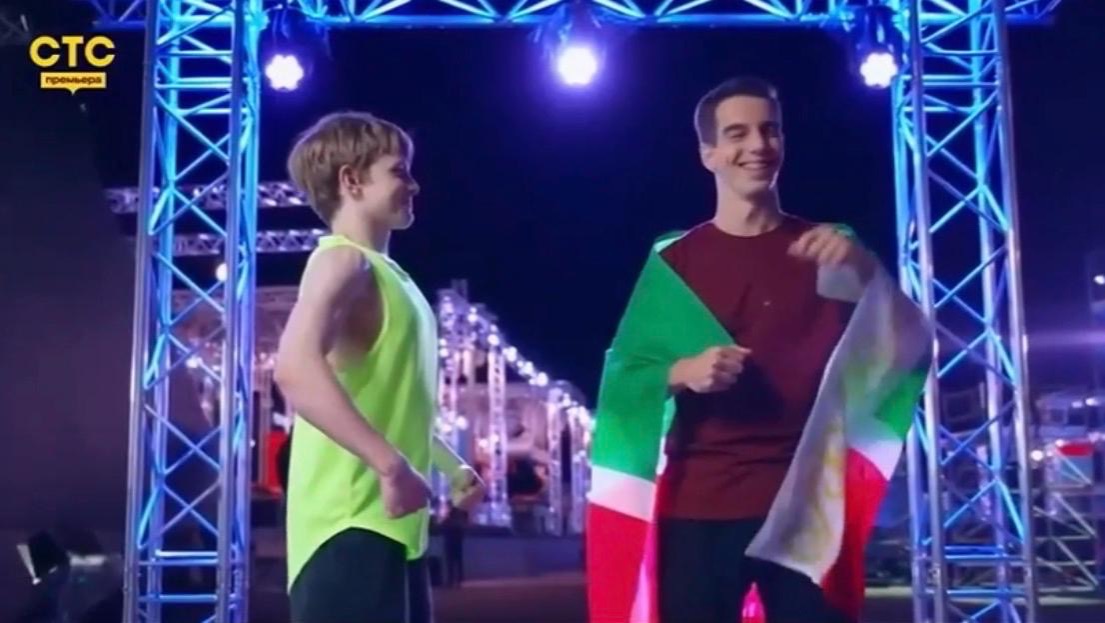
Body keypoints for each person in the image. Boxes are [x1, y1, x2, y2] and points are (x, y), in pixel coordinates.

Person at [585, 77, 932, 623]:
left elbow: (910, 349)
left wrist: (868, 274)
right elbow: (624, 378)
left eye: (770, 130)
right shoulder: (675, 263)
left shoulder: (832, 251)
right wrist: (683, 371)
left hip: (805, 510)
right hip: (700, 509)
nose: (758, 145)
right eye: (737, 133)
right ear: (708, 153)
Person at [275, 111, 486, 623]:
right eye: (399, 171)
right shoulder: (343, 261)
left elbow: (391, 400)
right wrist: (390, 466)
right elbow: (294, 368)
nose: (414, 184)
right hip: (347, 527)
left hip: (390, 530)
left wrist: (450, 467)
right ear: (352, 181)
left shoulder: (392, 278)